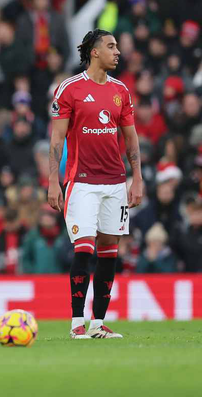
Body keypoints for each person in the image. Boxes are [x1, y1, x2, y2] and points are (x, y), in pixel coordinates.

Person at [48, 29, 143, 339]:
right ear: (94, 52)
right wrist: (53, 180)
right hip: (82, 182)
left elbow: (130, 138)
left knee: (109, 251)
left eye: (117, 46)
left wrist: (136, 177)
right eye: (111, 46)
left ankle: (98, 324)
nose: (117, 51)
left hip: (115, 183)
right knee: (84, 248)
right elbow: (57, 139)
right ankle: (77, 323)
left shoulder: (122, 91)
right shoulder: (69, 89)